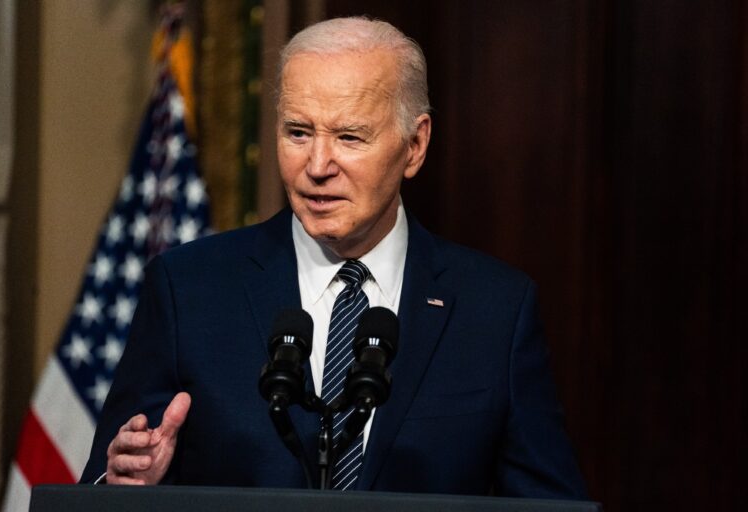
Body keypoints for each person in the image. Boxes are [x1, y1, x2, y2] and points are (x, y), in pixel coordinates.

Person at [80, 16, 587, 498]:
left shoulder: (495, 311)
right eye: (298, 132)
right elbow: (102, 487)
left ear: (415, 145)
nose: (317, 165)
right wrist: (127, 485)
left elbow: (549, 504)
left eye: (349, 137)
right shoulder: (189, 290)